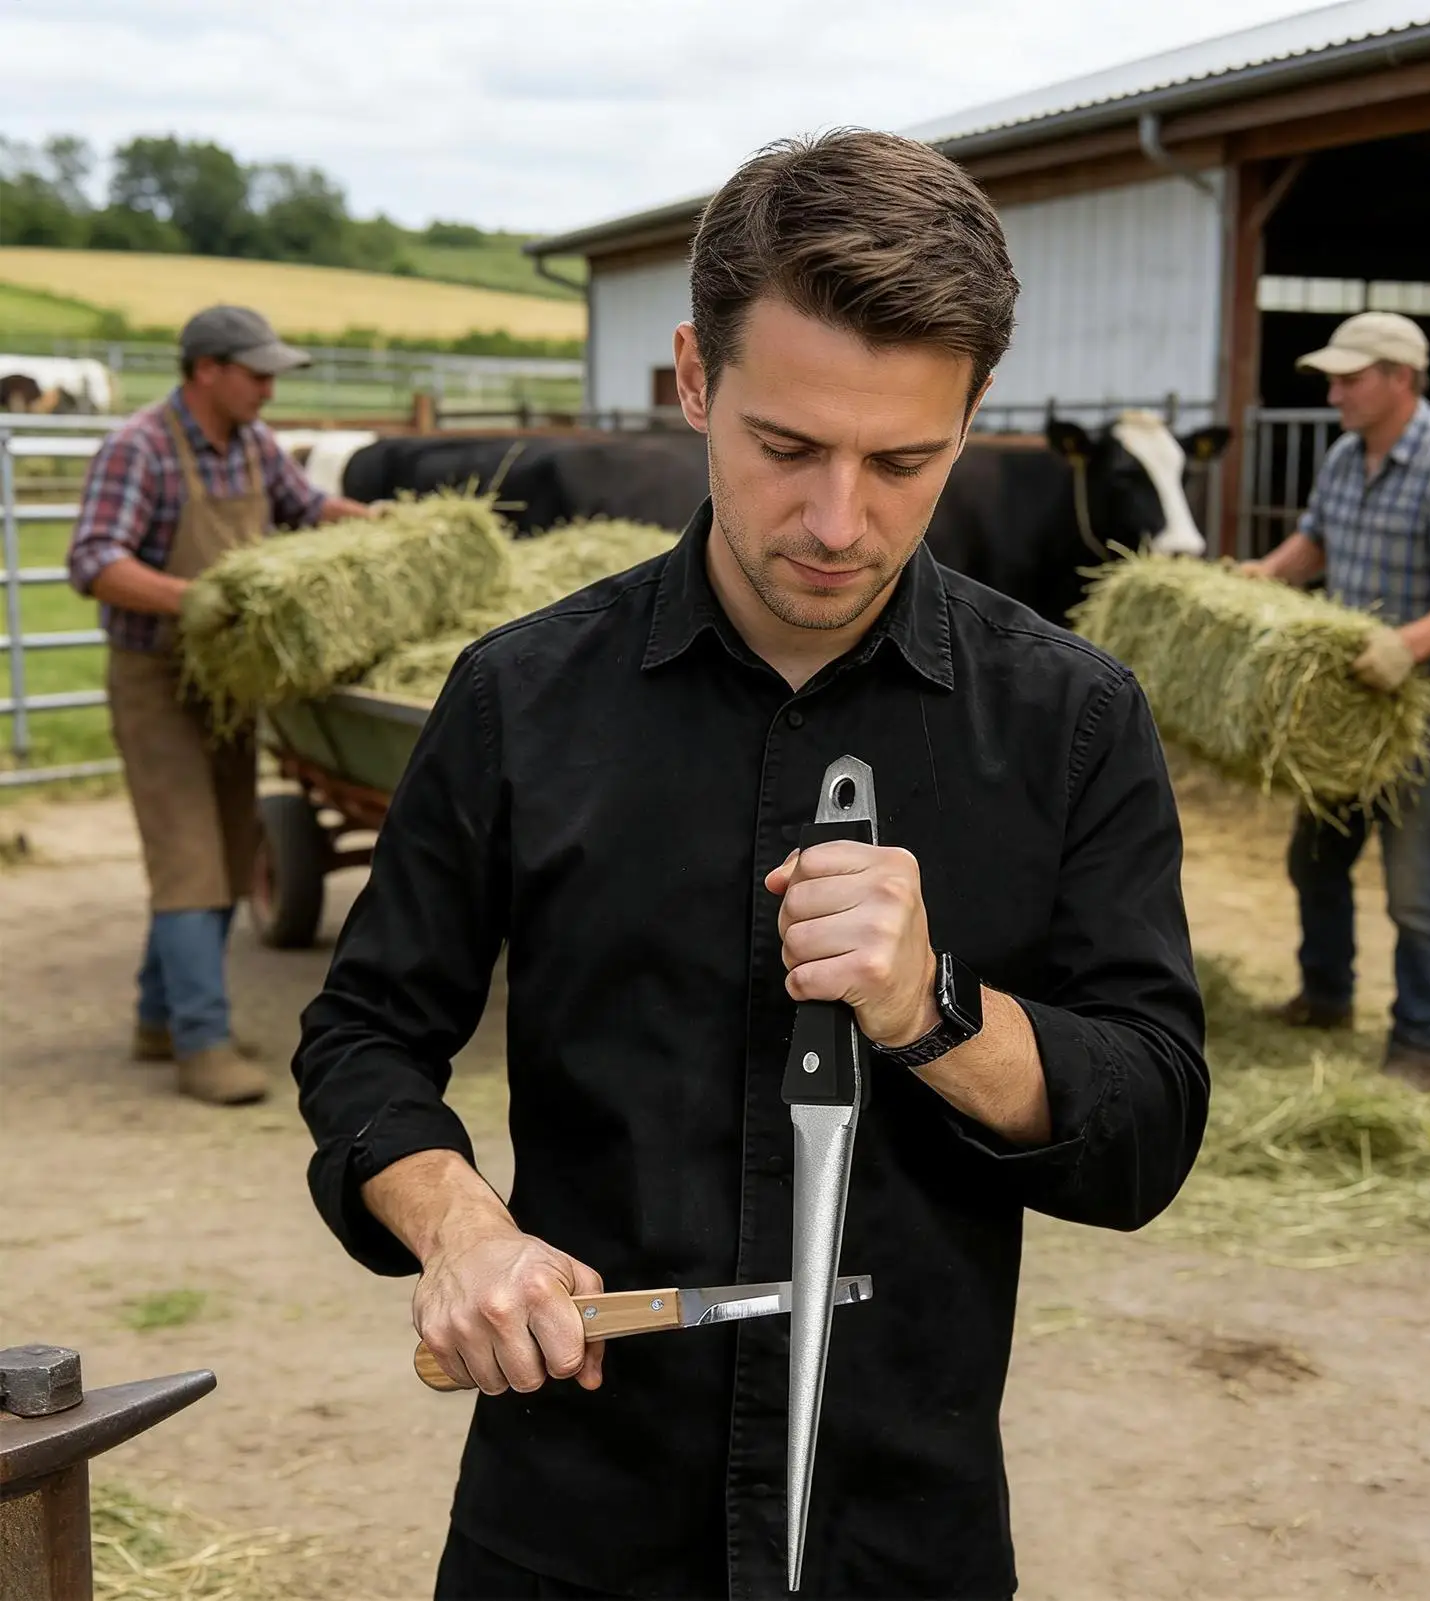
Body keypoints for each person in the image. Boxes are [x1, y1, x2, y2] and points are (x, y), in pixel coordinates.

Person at [293, 131, 1208, 1601]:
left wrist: (936, 1015)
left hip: (902, 1531)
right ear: (694, 382)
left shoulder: (1073, 720)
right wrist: (462, 1231)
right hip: (567, 1522)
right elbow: (365, 1037)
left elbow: (1149, 1125)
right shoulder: (522, 695)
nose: (838, 522)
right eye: (786, 448)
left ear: (971, 419)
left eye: (902, 460)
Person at [68, 305, 373, 1106]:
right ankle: (201, 1043)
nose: (270, 386)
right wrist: (187, 597)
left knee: (228, 846)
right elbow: (94, 558)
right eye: (257, 371)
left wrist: (377, 526)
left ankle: (157, 1017)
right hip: (156, 679)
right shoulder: (139, 447)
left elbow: (304, 507)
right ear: (207, 369)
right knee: (187, 855)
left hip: (228, 683)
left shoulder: (250, 445)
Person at [1239, 311, 1430, 1091]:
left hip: (1425, 704)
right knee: (1315, 856)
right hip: (1352, 700)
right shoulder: (1343, 456)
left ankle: (1418, 1042)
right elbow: (1318, 539)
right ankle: (1325, 995)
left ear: (1400, 378)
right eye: (1331, 378)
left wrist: (1407, 645)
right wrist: (1267, 571)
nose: (1332, 393)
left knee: (1413, 886)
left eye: (1348, 378)